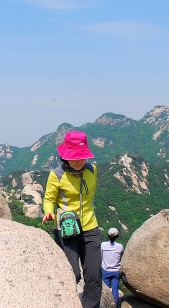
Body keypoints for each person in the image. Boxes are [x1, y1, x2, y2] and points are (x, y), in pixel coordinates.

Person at [42, 131, 102, 308]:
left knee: (93, 276)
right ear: (65, 156)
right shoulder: (57, 174)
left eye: (82, 156)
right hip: (66, 229)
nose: (79, 161)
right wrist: (48, 211)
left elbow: (91, 195)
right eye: (75, 157)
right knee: (72, 273)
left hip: (90, 228)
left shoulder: (92, 170)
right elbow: (49, 199)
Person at [101, 228, 124, 308]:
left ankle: (104, 305)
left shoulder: (103, 245)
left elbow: (101, 256)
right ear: (117, 236)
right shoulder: (120, 246)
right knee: (115, 291)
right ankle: (116, 306)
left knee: (105, 291)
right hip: (116, 271)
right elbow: (121, 257)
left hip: (105, 270)